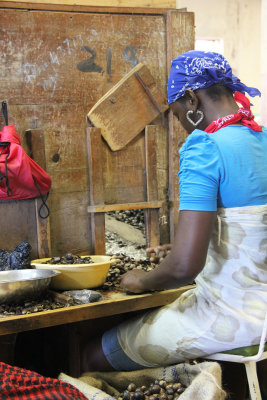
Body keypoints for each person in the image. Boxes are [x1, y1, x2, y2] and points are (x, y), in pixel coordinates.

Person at [81, 50, 267, 395]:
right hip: (264, 317)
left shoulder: (204, 147)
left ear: (192, 98)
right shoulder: (264, 138)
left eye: (178, 112)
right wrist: (201, 243)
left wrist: (141, 280)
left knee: (92, 354)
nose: (180, 121)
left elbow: (183, 268)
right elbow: (251, 233)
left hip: (234, 320)